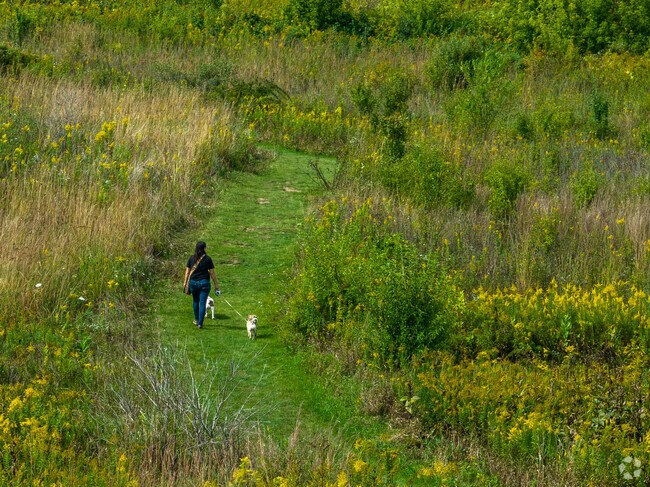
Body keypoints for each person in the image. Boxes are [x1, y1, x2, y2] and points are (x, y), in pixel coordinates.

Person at [184, 241, 220, 329]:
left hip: (193, 283)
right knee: (203, 303)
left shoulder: (191, 258)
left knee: (195, 301)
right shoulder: (208, 259)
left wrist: (185, 283)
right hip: (204, 283)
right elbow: (212, 273)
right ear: (204, 248)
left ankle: (196, 319)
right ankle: (200, 323)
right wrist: (216, 285)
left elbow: (187, 272)